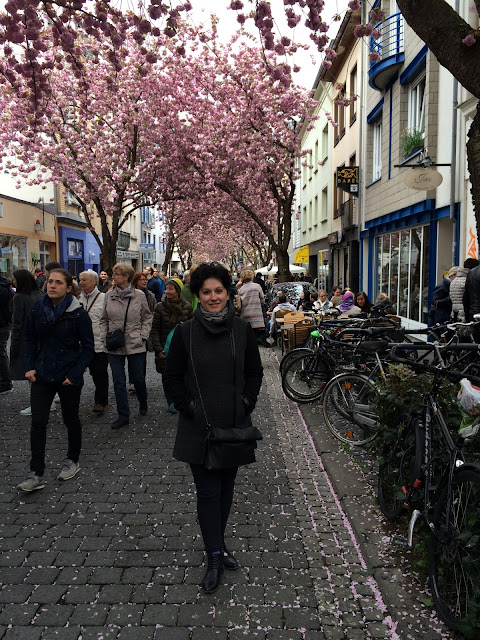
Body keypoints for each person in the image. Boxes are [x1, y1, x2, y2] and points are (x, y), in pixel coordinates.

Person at [163, 262, 263, 594]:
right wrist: (187, 406)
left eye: (219, 290)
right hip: (199, 428)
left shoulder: (242, 330)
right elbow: (172, 376)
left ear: (228, 293)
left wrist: (246, 403)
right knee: (208, 493)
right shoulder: (186, 333)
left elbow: (254, 372)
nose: (213, 297)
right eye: (206, 292)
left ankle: (217, 544)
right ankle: (215, 556)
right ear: (198, 295)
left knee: (226, 490)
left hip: (233, 425)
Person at [17, 268, 95, 492]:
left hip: (67, 375)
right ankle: (35, 472)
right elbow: (28, 337)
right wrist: (29, 366)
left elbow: (88, 348)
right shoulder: (38, 308)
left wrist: (75, 374)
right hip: (42, 373)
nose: (52, 285)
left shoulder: (78, 314)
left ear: (69, 288)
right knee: (38, 422)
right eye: (50, 281)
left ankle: (72, 460)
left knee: (71, 419)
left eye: (58, 283)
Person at [100, 263, 153, 429]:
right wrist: (104, 336)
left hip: (135, 342)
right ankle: (123, 415)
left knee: (138, 378)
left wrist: (143, 335)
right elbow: (104, 319)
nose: (113, 277)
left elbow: (147, 317)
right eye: (113, 274)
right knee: (118, 381)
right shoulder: (108, 295)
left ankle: (143, 402)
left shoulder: (139, 295)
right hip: (114, 343)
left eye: (117, 274)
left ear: (126, 277)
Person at [151, 277, 193, 413]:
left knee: (184, 375)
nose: (167, 291)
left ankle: (183, 399)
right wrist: (158, 348)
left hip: (182, 348)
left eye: (171, 289)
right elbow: (155, 329)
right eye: (166, 289)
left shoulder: (187, 306)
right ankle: (171, 401)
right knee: (167, 376)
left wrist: (185, 327)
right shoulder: (159, 307)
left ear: (178, 291)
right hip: (165, 348)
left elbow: (194, 328)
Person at [9, 270, 42, 413]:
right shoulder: (39, 293)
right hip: (41, 337)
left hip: (26, 339)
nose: (13, 281)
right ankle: (47, 400)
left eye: (15, 279)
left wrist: (14, 343)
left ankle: (37, 404)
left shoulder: (19, 297)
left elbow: (17, 323)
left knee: (30, 371)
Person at [78, 270, 109, 414]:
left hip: (99, 344)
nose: (81, 282)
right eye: (80, 280)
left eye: (84, 280)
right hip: (80, 345)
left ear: (94, 282)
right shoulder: (77, 298)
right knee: (76, 373)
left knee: (99, 374)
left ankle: (101, 401)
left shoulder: (104, 298)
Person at [238, 269, 265, 342]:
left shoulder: (241, 289)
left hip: (245, 314)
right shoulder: (257, 286)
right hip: (256, 315)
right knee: (255, 336)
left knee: (247, 337)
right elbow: (262, 300)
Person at [0, 272, 13, 395]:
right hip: (4, 324)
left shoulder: (2, 289)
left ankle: (6, 383)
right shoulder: (6, 287)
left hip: (2, 325)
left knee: (1, 353)